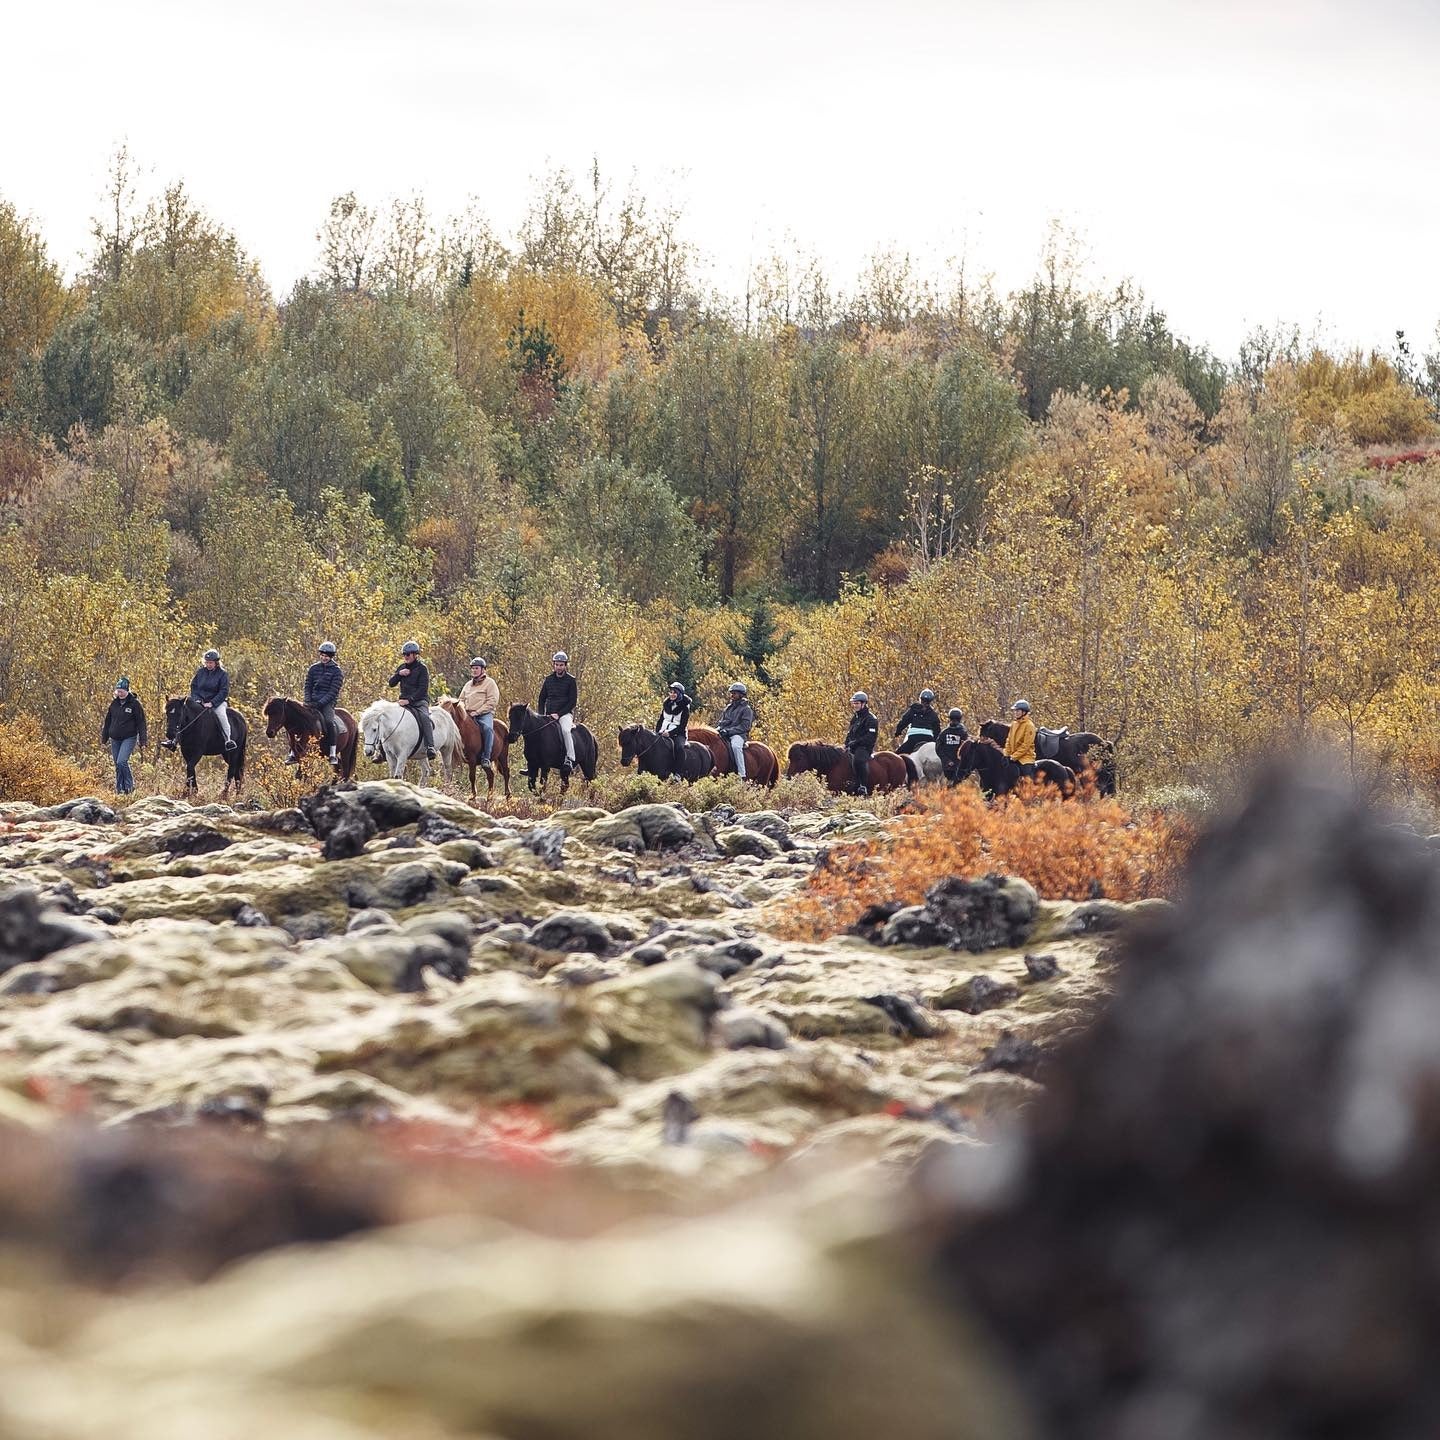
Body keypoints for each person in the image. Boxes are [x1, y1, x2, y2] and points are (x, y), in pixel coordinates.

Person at [176, 648, 235, 751]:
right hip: (200, 701)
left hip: (217, 702)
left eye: (211, 663)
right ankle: (174, 740)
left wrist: (212, 703)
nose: (208, 665)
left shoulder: (222, 674)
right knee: (184, 710)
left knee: (222, 715)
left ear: (216, 662)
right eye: (207, 662)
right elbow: (194, 686)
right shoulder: (201, 672)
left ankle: (228, 740)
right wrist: (197, 699)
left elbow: (224, 691)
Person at [387, 641, 436, 760]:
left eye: (408, 654)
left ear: (415, 655)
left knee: (425, 717)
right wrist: (399, 674)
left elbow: (422, 689)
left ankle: (430, 746)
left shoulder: (422, 669)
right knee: (387, 717)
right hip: (403, 702)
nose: (406, 657)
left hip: (419, 701)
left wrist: (409, 700)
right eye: (404, 654)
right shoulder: (402, 668)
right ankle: (382, 750)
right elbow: (391, 683)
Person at [101, 678, 146, 795]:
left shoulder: (135, 704)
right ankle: (120, 790)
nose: (119, 694)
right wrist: (104, 737)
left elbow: (141, 723)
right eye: (118, 691)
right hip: (115, 738)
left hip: (129, 737)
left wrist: (143, 740)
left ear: (127, 691)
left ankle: (129, 787)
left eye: (121, 691)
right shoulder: (114, 704)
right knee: (117, 764)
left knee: (122, 761)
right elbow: (108, 721)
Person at [538, 651, 578, 776]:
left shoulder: (571, 680)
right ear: (553, 665)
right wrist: (541, 716)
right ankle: (533, 763)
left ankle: (570, 759)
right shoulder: (548, 680)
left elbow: (572, 702)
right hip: (548, 714)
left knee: (566, 730)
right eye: (557, 664)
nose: (559, 667)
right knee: (536, 732)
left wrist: (559, 714)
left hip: (564, 715)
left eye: (561, 665)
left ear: (565, 665)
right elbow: (541, 698)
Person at [304, 641, 343, 765]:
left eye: (326, 656)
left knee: (329, 722)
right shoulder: (313, 668)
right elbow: (307, 685)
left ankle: (332, 753)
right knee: (298, 719)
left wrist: (320, 703)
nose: (324, 658)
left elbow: (333, 691)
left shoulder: (337, 672)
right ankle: (293, 752)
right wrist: (308, 700)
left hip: (327, 703)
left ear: (331, 657)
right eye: (322, 655)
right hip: (311, 701)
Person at [458, 657, 500, 770]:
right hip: (468, 714)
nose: (474, 671)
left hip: (484, 714)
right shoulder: (467, 685)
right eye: (472, 669)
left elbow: (492, 701)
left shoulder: (490, 683)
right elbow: (460, 699)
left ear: (483, 670)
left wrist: (477, 712)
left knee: (487, 728)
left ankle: (486, 757)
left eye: (476, 668)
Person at [716, 682, 754, 779]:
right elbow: (722, 721)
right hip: (725, 732)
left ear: (741, 695)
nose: (732, 695)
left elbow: (745, 726)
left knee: (736, 747)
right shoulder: (728, 708)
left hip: (739, 735)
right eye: (731, 693)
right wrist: (719, 728)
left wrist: (729, 731)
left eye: (734, 693)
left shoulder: (746, 709)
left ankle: (742, 774)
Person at [845, 691, 879, 796]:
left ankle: (862, 785)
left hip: (864, 748)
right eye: (854, 703)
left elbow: (870, 737)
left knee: (858, 760)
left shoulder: (871, 719)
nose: (855, 705)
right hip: (853, 746)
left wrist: (855, 743)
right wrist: (846, 743)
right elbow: (850, 732)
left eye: (857, 703)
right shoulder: (855, 718)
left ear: (863, 704)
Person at [893, 688, 942, 755]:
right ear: (930, 701)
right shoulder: (933, 714)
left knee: (897, 755)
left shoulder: (913, 710)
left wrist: (898, 732)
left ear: (920, 699)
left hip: (913, 739)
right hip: (928, 739)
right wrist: (936, 742)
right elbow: (937, 730)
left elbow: (904, 721)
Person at [1004, 699, 1038, 779]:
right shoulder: (1014, 724)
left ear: (1024, 712)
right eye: (1015, 711)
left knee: (1027, 781)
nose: (1015, 713)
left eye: (1017, 711)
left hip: (1026, 759)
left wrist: (1013, 757)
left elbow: (1026, 745)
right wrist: (1006, 754)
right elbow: (1008, 740)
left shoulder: (1029, 725)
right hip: (1013, 757)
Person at [937, 707, 969, 783]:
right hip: (959, 766)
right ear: (960, 718)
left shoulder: (944, 733)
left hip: (947, 766)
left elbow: (938, 748)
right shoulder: (963, 733)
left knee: (948, 783)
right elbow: (966, 749)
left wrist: (947, 760)